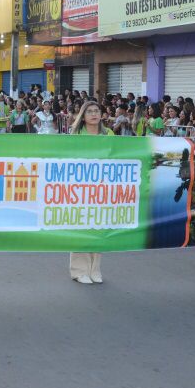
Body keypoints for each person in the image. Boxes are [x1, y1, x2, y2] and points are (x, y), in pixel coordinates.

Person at [68, 101, 114, 284]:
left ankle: (95, 269)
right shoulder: (76, 134)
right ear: (83, 115)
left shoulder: (108, 133)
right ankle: (79, 271)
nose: (94, 114)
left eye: (97, 111)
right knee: (81, 227)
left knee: (99, 227)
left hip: (103, 186)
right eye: (89, 111)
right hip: (81, 186)